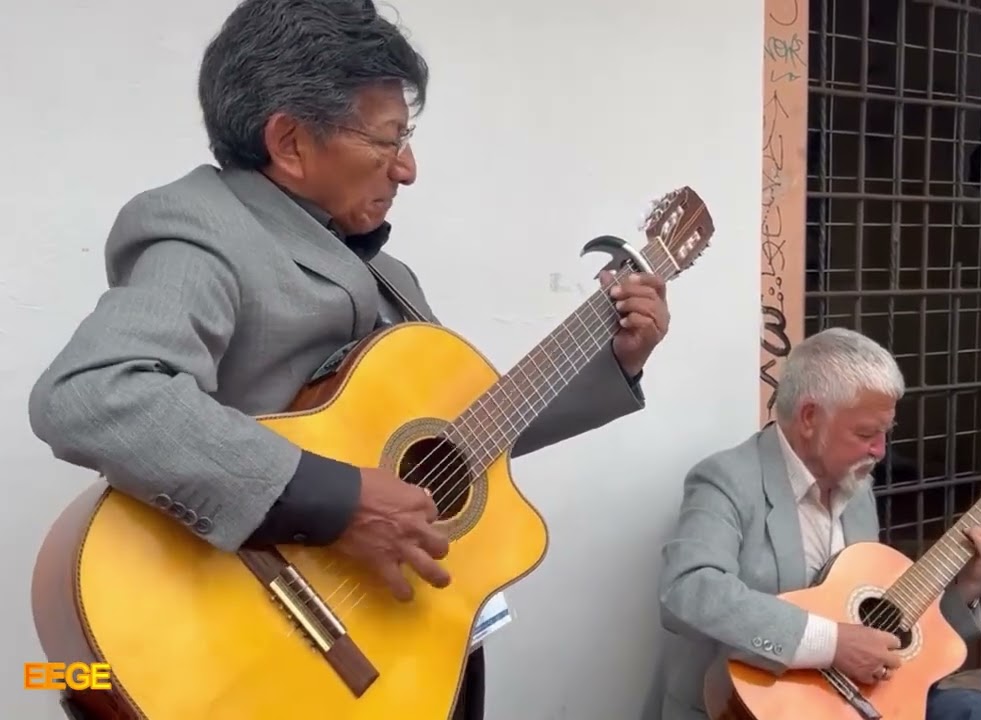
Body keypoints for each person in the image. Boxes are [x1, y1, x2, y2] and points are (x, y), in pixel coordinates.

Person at [26, 2, 671, 719]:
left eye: (409, 137)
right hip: (262, 658)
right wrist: (337, 502)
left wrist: (616, 360)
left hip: (406, 657)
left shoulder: (388, 273)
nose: (409, 168)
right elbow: (96, 393)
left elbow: (459, 445)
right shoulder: (202, 229)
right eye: (388, 138)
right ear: (290, 142)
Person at [642, 328, 981, 720]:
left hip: (849, 703)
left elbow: (882, 627)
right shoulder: (727, 479)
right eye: (865, 434)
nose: (880, 451)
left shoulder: (858, 490)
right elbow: (687, 589)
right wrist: (832, 643)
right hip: (745, 708)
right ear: (809, 417)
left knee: (979, 713)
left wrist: (968, 586)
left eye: (885, 433)